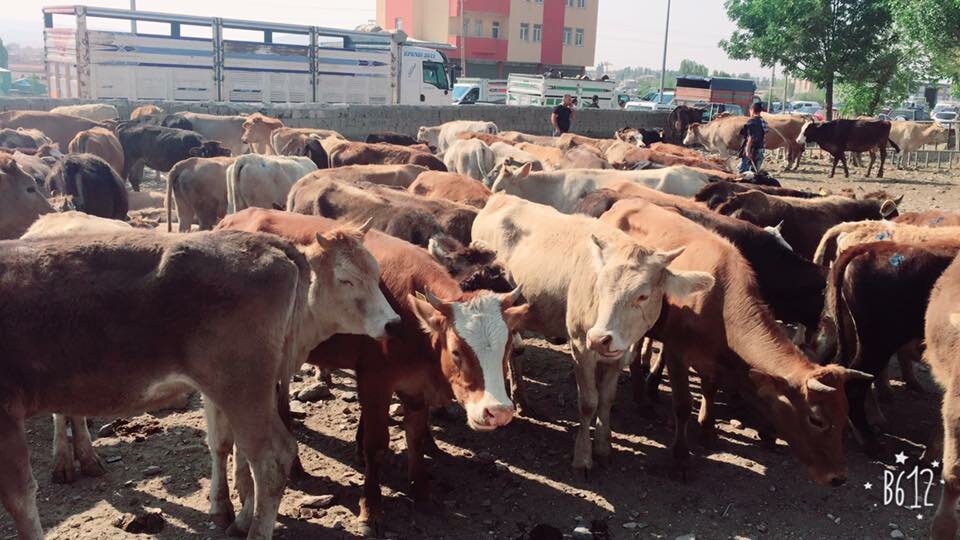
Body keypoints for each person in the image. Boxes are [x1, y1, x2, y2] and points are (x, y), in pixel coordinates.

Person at [738, 102, 768, 173]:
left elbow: (750, 137)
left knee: (743, 172)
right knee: (754, 172)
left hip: (752, 150)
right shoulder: (763, 122)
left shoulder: (752, 122)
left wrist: (747, 151)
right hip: (760, 150)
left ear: (752, 110)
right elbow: (763, 136)